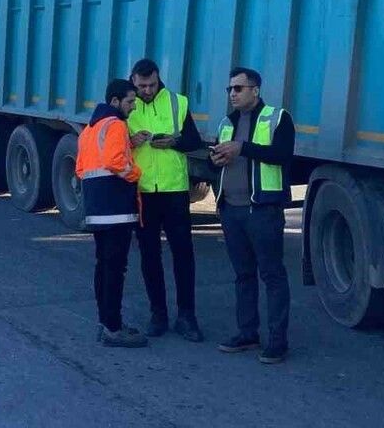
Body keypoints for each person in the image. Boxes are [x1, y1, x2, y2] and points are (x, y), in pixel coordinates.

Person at [209, 67, 296, 364]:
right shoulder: (227, 122)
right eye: (230, 89)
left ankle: (277, 342)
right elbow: (218, 163)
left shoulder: (277, 117)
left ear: (255, 90)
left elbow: (284, 156)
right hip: (232, 210)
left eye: (239, 88)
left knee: (272, 275)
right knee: (243, 275)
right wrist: (216, 158)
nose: (233, 94)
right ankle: (247, 333)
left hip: (263, 210)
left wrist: (243, 148)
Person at [126, 58, 206, 342]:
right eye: (141, 86)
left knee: (183, 253)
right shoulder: (126, 106)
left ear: (159, 78)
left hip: (174, 190)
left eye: (151, 84)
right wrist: (131, 142)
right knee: (149, 255)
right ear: (133, 81)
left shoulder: (177, 102)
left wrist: (174, 141)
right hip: (142, 192)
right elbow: (110, 143)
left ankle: (187, 316)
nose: (147, 90)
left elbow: (194, 141)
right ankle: (157, 313)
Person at [76, 78, 148, 348]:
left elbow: (82, 169)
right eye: (130, 101)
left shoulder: (90, 128)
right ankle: (113, 328)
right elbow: (114, 161)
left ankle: (105, 322)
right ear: (115, 102)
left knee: (104, 267)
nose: (133, 107)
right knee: (116, 270)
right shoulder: (116, 124)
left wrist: (129, 143)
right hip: (117, 210)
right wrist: (136, 173)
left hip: (97, 210)